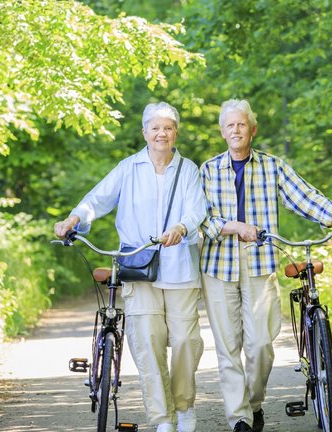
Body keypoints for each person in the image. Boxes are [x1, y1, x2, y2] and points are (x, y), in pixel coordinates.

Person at [199, 99, 332, 432]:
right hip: (219, 265)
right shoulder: (207, 170)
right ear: (222, 131)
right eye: (229, 125)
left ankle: (253, 403)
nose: (235, 130)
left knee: (261, 344)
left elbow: (304, 196)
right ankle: (240, 419)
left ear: (253, 129)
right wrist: (234, 226)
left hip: (260, 262)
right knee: (228, 348)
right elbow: (201, 220)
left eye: (241, 124)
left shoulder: (272, 166)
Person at [54, 102, 206, 432]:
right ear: (144, 133)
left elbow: (197, 212)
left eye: (167, 128)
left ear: (175, 133)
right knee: (147, 343)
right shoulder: (128, 167)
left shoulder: (189, 170)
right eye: (155, 128)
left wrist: (181, 227)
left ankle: (184, 407)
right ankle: (163, 419)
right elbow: (98, 198)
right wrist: (74, 218)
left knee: (185, 343)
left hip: (180, 268)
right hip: (139, 269)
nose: (161, 134)